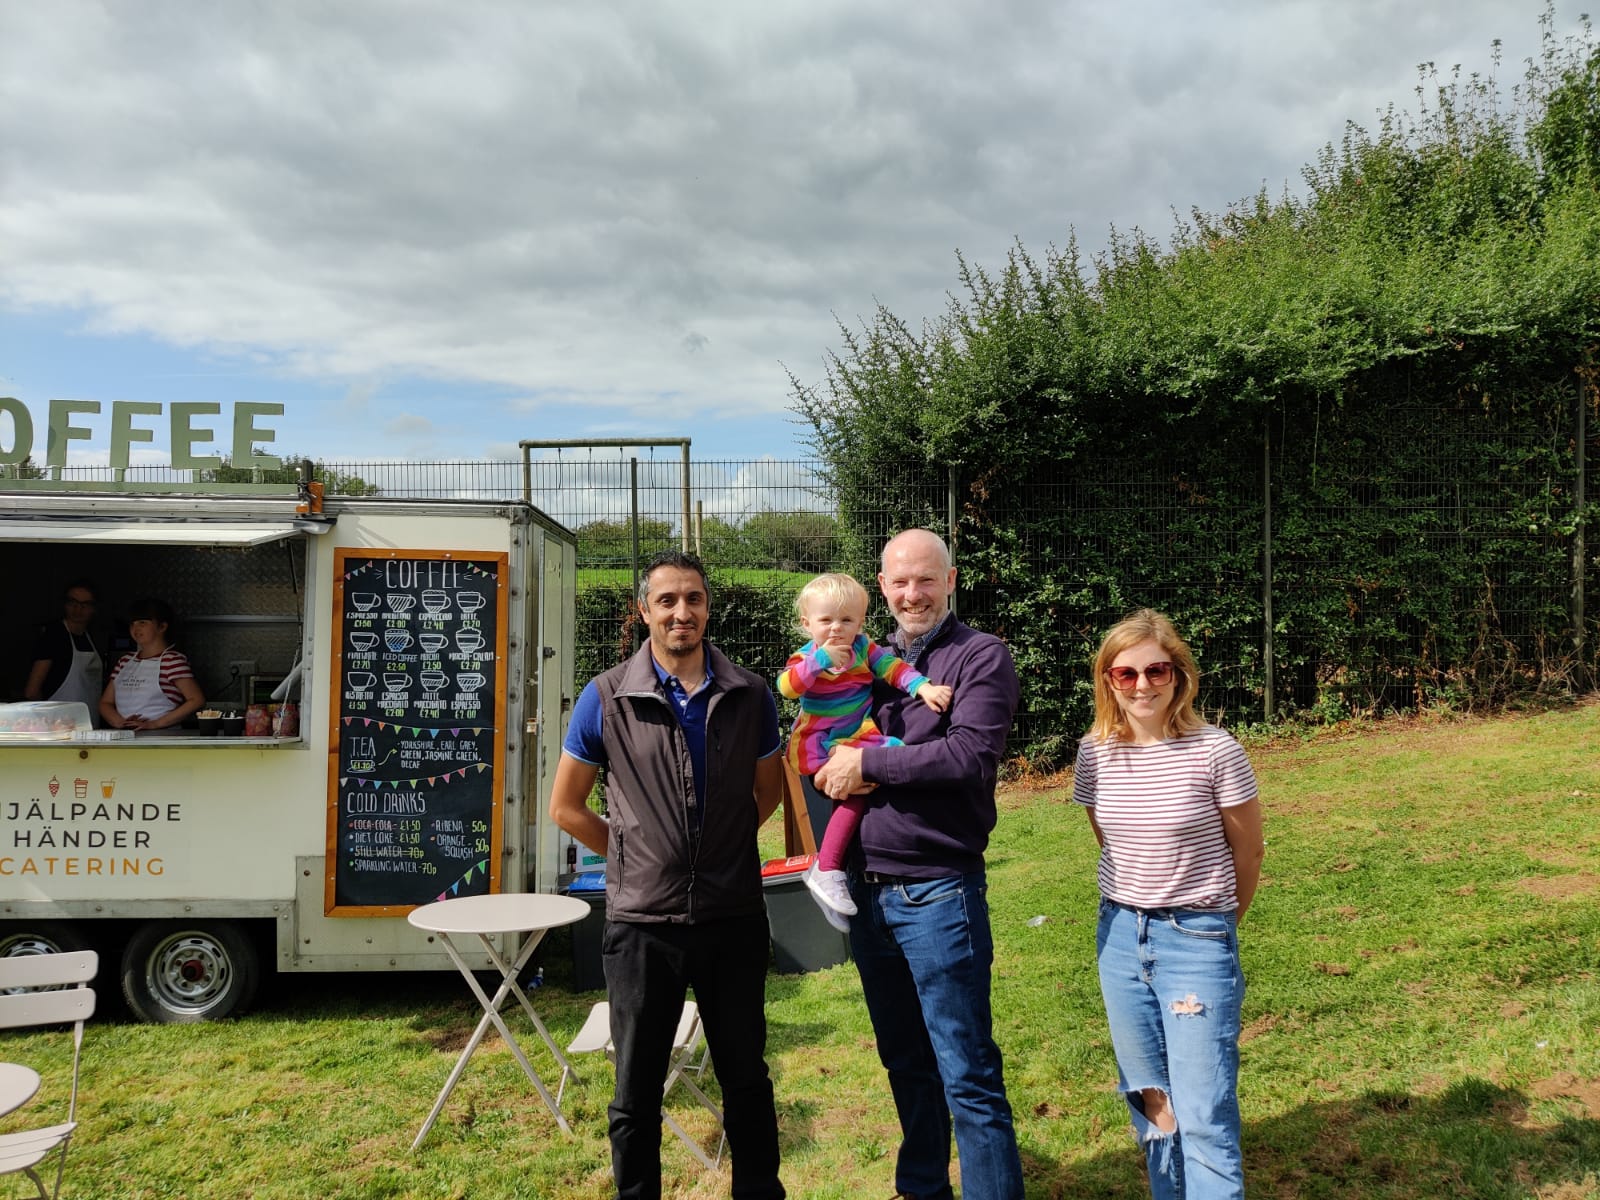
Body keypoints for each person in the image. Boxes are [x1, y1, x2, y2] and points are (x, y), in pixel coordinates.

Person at [549, 550, 788, 1200]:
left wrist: (721, 845)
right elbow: (565, 807)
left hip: (733, 917)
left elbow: (765, 793)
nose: (682, 612)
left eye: (693, 599)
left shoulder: (751, 694)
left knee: (745, 1079)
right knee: (635, 1088)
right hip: (642, 926)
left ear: (708, 607)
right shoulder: (605, 698)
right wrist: (632, 851)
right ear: (644, 611)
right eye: (667, 600)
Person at [813, 529, 1025, 1200]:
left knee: (966, 1071)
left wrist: (867, 761)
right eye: (900, 582)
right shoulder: (864, 663)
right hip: (867, 893)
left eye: (926, 579)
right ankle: (924, 1187)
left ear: (951, 580)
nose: (913, 593)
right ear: (882, 588)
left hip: (937, 893)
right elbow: (823, 730)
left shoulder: (979, 657)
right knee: (904, 1060)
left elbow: (967, 756)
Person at [1072, 609, 1265, 1200]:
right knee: (1151, 1098)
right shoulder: (1093, 752)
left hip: (1196, 940)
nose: (1142, 685)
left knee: (1204, 1111)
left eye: (1155, 670)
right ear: (1107, 682)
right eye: (1124, 674)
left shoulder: (1216, 751)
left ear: (1178, 675)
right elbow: (1108, 838)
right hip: (1120, 940)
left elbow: (1249, 851)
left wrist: (1213, 925)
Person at [777, 572, 951, 929]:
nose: (836, 629)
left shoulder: (863, 649)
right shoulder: (806, 656)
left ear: (861, 622)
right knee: (854, 795)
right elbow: (786, 687)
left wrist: (923, 688)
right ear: (807, 623)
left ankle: (838, 868)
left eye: (847, 620)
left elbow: (893, 669)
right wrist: (821, 660)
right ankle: (828, 868)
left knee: (885, 767)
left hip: (857, 735)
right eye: (826, 620)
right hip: (822, 738)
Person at [99, 596, 206, 732]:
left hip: (162, 739)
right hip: (124, 739)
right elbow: (105, 703)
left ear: (162, 627)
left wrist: (155, 724)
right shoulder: (124, 661)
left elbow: (196, 700)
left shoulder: (172, 661)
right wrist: (121, 723)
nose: (135, 628)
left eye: (142, 622)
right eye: (132, 623)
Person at [24, 578, 105, 722]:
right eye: (73, 603)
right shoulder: (53, 636)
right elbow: (32, 691)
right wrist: (49, 718)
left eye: (84, 604)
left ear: (94, 609)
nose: (78, 609)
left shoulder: (95, 638)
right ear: (64, 605)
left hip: (91, 725)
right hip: (58, 726)